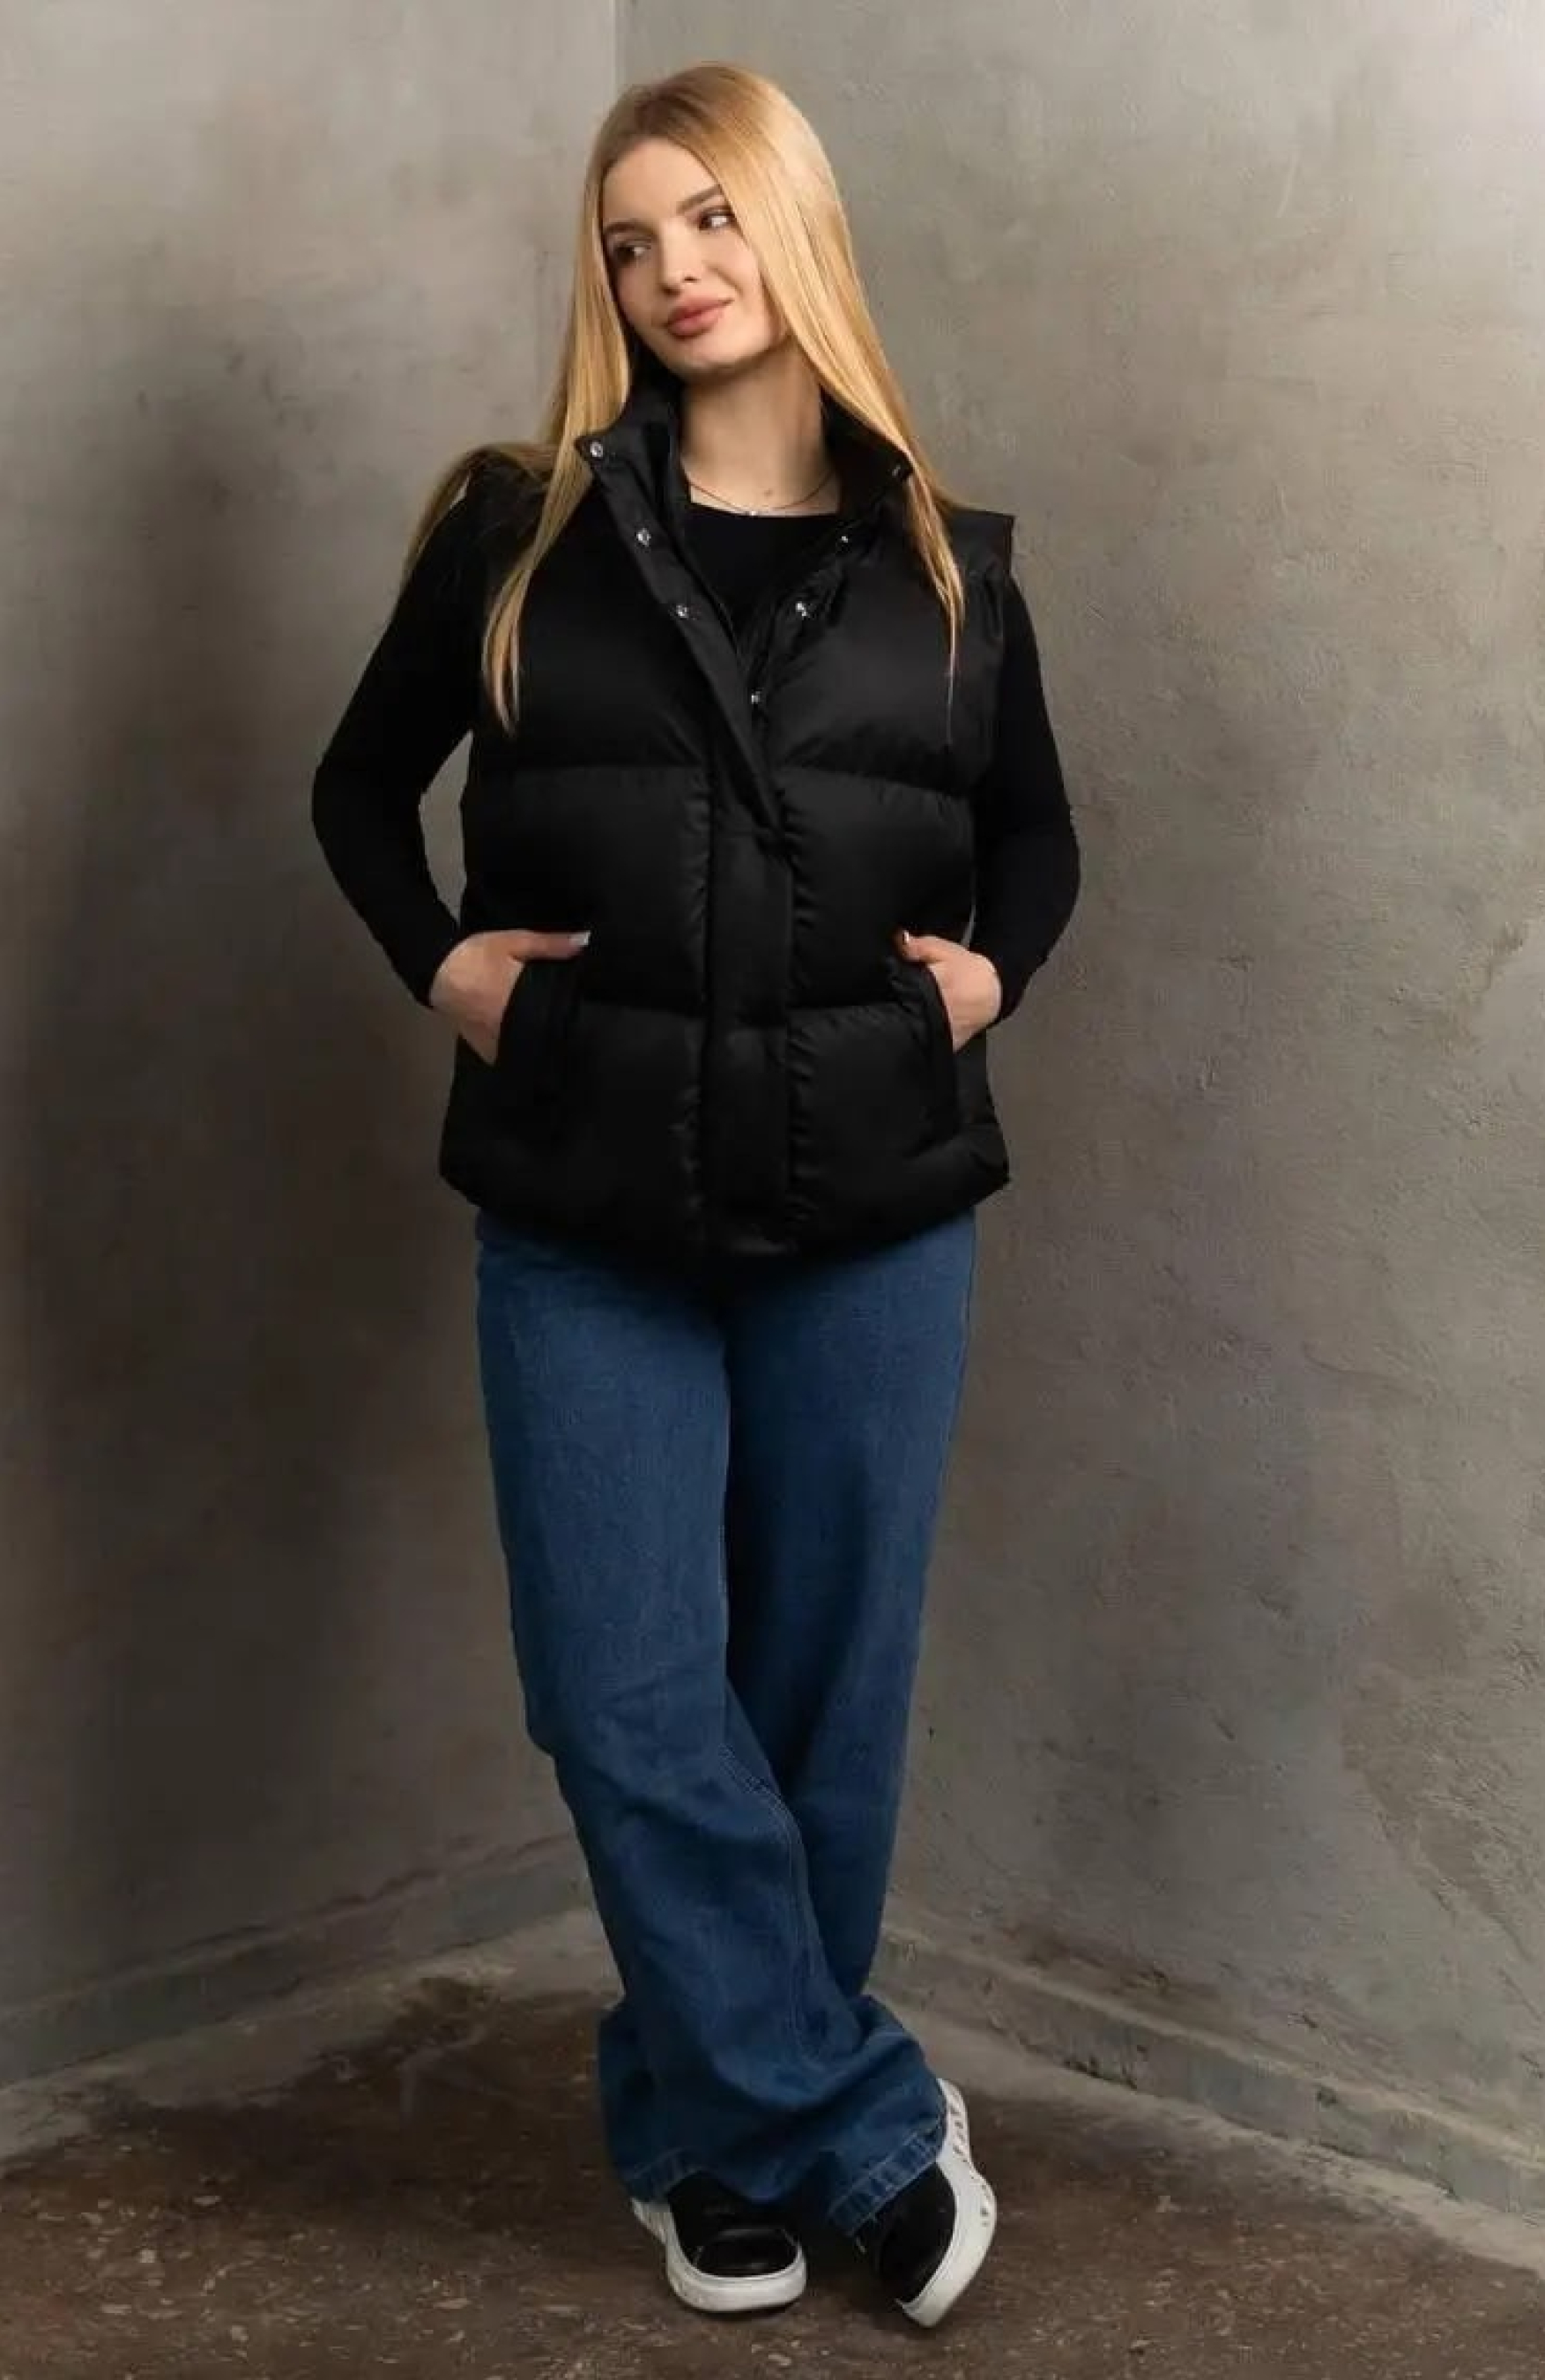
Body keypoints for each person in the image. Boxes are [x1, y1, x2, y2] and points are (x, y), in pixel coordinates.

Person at [311, 59, 1080, 2332]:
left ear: (793, 223)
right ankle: (860, 2128)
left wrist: (990, 982)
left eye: (710, 216)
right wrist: (446, 965)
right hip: (585, 1198)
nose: (671, 270)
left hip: (876, 1205)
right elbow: (359, 792)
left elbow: (1039, 835)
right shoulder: (516, 530)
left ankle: (706, 2142)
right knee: (626, 1694)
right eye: (628, 238)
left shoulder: (947, 561)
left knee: (822, 1703)